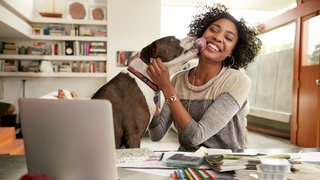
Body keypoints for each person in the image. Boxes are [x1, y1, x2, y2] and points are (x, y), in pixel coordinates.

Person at [146, 4, 262, 151]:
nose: (218, 37)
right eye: (213, 30)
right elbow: (157, 134)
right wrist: (152, 89)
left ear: (232, 52)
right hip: (186, 163)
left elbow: (195, 137)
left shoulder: (237, 81)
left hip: (225, 166)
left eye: (228, 38)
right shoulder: (178, 80)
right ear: (202, 35)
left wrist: (167, 88)